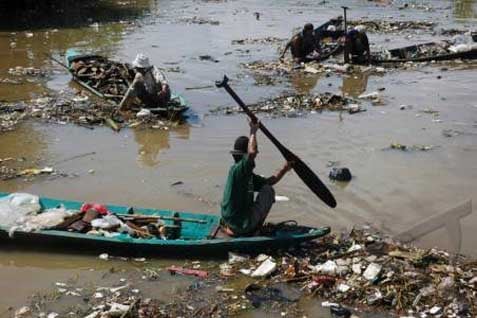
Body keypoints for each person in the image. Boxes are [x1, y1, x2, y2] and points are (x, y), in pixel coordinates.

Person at [220, 120, 293, 237]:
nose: (256, 155)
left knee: (267, 187)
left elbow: (271, 181)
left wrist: (285, 168)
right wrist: (253, 131)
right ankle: (253, 230)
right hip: (239, 225)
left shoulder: (245, 174)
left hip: (231, 221)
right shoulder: (238, 170)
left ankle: (239, 228)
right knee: (269, 191)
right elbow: (252, 152)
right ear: (244, 156)